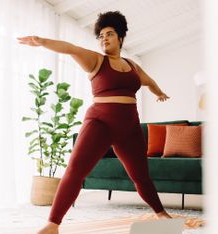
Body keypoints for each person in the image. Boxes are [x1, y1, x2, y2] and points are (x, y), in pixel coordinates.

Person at [17, 11, 172, 234]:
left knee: (141, 176)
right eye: (100, 36)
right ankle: (53, 224)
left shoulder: (133, 67)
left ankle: (161, 214)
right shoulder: (96, 60)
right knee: (76, 170)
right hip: (100, 123)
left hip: (130, 127)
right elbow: (71, 48)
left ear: (121, 37)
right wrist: (42, 42)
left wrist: (159, 92)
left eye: (109, 34)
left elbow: (149, 81)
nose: (104, 39)